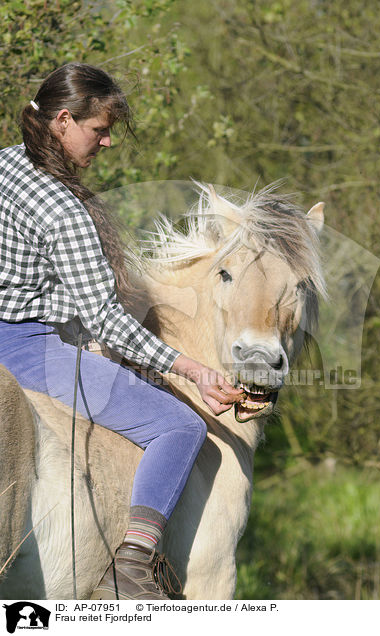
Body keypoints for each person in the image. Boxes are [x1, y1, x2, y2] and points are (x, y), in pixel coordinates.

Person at [0, 63, 244, 599]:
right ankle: (132, 567)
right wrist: (192, 368)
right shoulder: (61, 208)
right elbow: (105, 319)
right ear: (63, 120)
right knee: (178, 427)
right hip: (31, 350)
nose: (107, 142)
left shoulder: (7, 165)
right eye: (100, 129)